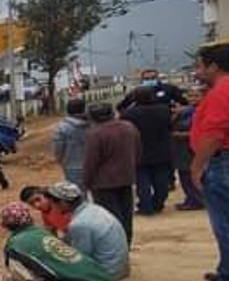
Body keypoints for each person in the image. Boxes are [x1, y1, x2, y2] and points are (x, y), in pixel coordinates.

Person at [189, 42, 229, 281]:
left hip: (220, 161)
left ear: (214, 66)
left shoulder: (221, 92)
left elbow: (214, 134)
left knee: (224, 224)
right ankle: (225, 269)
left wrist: (197, 166)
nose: (197, 70)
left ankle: (227, 280)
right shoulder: (219, 90)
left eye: (200, 65)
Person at [42, 181, 129, 280]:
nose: (53, 208)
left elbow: (80, 258)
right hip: (118, 267)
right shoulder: (93, 208)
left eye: (53, 204)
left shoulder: (79, 224)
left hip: (107, 273)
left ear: (63, 203)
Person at [83, 103, 140, 245]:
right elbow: (138, 151)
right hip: (126, 178)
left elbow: (91, 161)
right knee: (126, 214)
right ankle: (126, 243)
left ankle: (115, 246)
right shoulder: (129, 127)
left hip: (103, 182)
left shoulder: (95, 134)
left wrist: (86, 181)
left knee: (109, 217)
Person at [120, 86, 173, 215]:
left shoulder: (128, 114)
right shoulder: (164, 110)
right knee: (161, 181)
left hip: (138, 151)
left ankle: (146, 206)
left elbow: (119, 109)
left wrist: (128, 100)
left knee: (142, 182)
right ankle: (158, 203)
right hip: (162, 151)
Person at [172, 88, 205, 210]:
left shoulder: (203, 110)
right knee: (184, 175)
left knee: (192, 174)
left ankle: (197, 200)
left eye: (196, 96)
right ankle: (190, 198)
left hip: (194, 147)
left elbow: (203, 131)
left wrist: (181, 135)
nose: (193, 99)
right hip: (181, 148)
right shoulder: (185, 111)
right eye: (190, 96)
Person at [52, 99, 90, 190]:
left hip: (72, 166)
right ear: (84, 109)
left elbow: (58, 148)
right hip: (92, 164)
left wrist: (59, 160)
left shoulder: (63, 127)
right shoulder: (92, 124)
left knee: (77, 193)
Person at [117, 68, 188, 112]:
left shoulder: (169, 88)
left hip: (166, 120)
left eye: (153, 78)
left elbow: (184, 103)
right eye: (147, 79)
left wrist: (175, 111)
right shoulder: (136, 91)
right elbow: (121, 107)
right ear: (142, 80)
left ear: (157, 78)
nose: (150, 81)